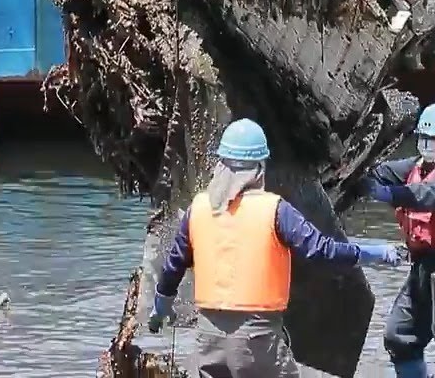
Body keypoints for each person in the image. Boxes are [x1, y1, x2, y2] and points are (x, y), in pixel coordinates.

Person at [148, 118, 402, 378]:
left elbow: (174, 264)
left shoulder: (198, 209)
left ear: (221, 164)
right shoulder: (276, 210)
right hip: (256, 340)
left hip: (208, 340)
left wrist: (161, 307)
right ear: (260, 169)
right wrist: (375, 253)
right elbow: (323, 251)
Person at [358, 102, 435, 378]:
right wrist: (362, 178)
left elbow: (428, 194)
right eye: (423, 137)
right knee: (399, 334)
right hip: (423, 268)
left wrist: (388, 194)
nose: (427, 143)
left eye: (434, 138)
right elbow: (381, 172)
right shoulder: (417, 166)